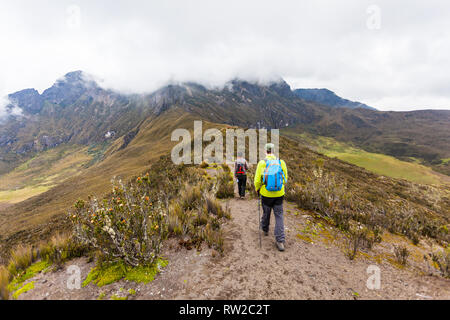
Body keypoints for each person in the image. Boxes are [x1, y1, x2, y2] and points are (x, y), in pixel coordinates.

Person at [254, 143, 288, 251]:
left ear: (265, 151)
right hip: (279, 194)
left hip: (266, 194)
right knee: (279, 215)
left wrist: (257, 189)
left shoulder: (262, 163)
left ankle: (265, 228)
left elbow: (257, 180)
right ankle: (280, 241)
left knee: (266, 212)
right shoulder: (281, 162)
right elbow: (285, 178)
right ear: (274, 151)